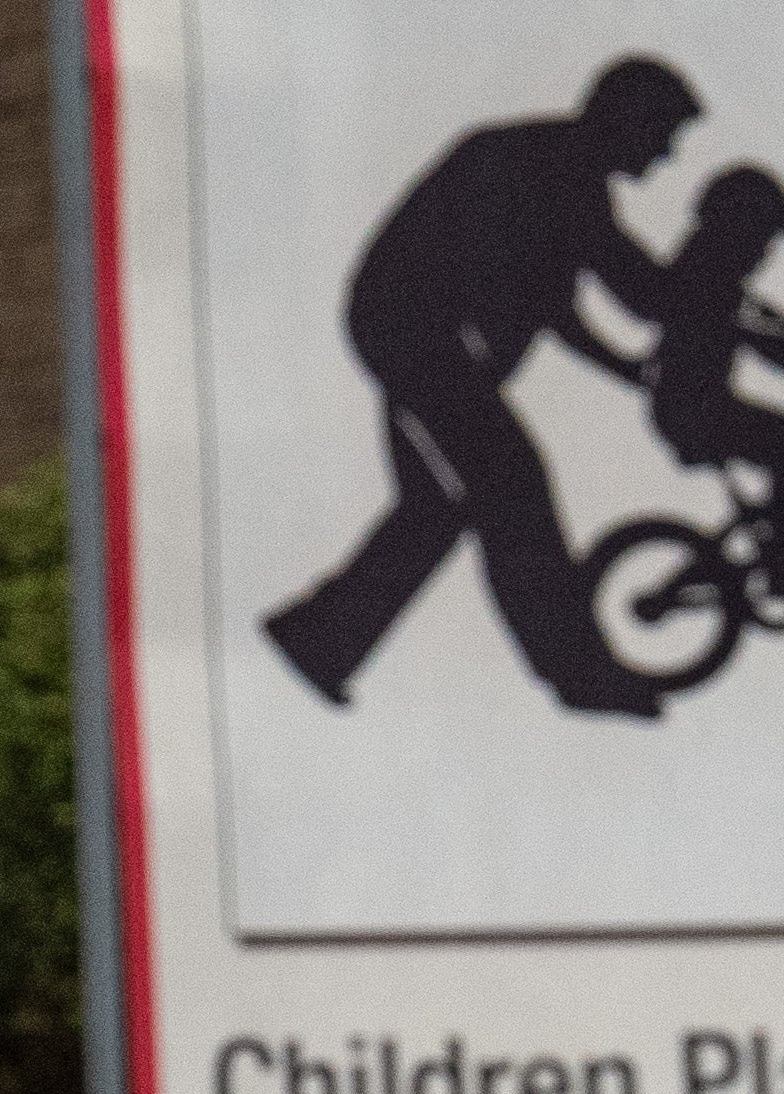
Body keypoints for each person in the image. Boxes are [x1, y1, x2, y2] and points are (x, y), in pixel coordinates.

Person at [258, 57, 704, 717]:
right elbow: (634, 291)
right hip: (414, 337)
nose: (665, 154)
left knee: (439, 501)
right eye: (662, 134)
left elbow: (571, 305)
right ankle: (579, 674)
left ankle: (320, 635)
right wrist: (710, 283)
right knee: (512, 482)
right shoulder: (545, 170)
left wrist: (636, 367)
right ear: (625, 119)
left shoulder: (565, 176)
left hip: (422, 342)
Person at [632, 162, 784, 532]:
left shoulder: (716, 273)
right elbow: (734, 329)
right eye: (763, 239)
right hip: (691, 408)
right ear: (738, 229)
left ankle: (775, 538)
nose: (764, 253)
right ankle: (779, 549)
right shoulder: (704, 273)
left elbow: (766, 319)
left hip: (692, 405)